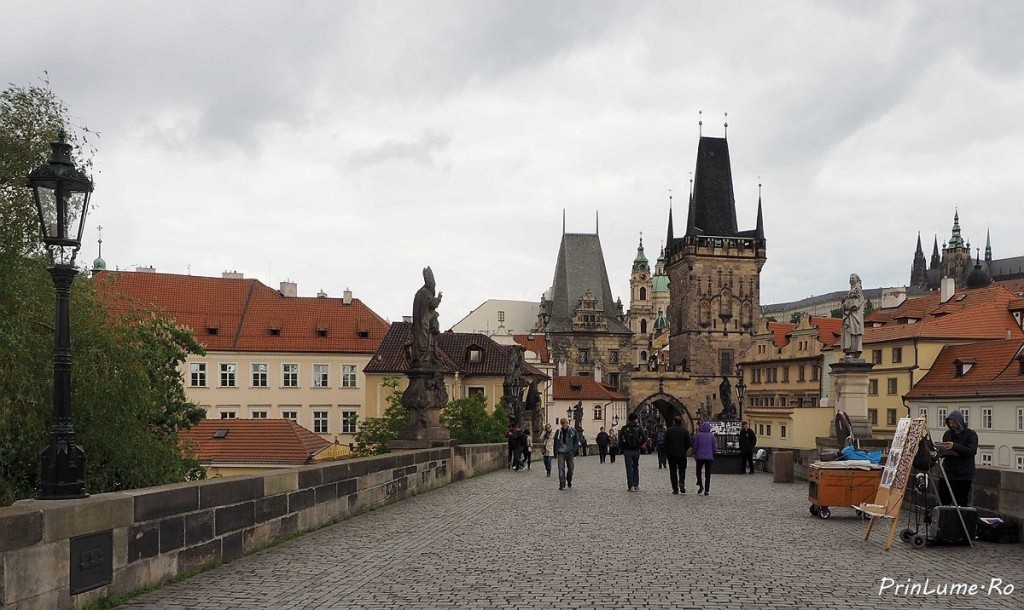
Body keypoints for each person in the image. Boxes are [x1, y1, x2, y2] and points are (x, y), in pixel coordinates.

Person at [938, 410, 978, 506]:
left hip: (963, 476)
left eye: (954, 422)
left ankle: (961, 521)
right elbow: (946, 452)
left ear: (960, 422)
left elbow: (971, 451)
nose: (952, 425)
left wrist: (954, 446)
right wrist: (940, 452)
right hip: (947, 474)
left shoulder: (971, 434)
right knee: (943, 501)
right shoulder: (947, 434)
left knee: (961, 502)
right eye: (950, 422)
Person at [664, 416, 693, 494]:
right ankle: (681, 482)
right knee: (682, 470)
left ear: (674, 422)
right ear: (681, 422)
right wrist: (684, 449)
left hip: (672, 454)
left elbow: (665, 443)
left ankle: (675, 489)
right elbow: (689, 443)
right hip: (682, 454)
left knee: (673, 471)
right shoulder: (685, 431)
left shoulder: (669, 431)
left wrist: (667, 451)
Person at [619, 413, 647, 492]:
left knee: (629, 468)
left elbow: (620, 438)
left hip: (627, 450)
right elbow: (645, 438)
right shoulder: (639, 428)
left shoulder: (624, 428)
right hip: (636, 450)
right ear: (635, 419)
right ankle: (636, 484)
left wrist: (623, 447)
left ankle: (630, 486)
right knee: (635, 467)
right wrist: (639, 445)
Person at [841, 273, 864, 359]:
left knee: (854, 331)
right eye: (850, 277)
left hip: (854, 315)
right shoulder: (852, 291)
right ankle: (850, 350)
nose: (851, 278)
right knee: (850, 332)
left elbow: (855, 304)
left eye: (853, 277)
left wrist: (845, 304)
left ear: (857, 280)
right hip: (850, 315)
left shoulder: (857, 290)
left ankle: (853, 351)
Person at [554, 418, 579, 490]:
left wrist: (573, 451)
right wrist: (555, 452)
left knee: (570, 469)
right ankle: (562, 484)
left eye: (566, 424)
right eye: (563, 424)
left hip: (570, 452)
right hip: (561, 452)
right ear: (561, 424)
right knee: (561, 469)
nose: (565, 425)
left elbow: (576, 441)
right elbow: (555, 442)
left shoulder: (573, 431)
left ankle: (569, 480)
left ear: (567, 423)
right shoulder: (558, 432)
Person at [693, 421, 715, 496]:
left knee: (698, 471)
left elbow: (695, 446)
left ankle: (700, 484)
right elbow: (714, 447)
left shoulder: (698, 436)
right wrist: (713, 453)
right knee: (708, 474)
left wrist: (694, 453)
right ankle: (707, 490)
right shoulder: (712, 436)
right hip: (709, 457)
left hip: (699, 457)